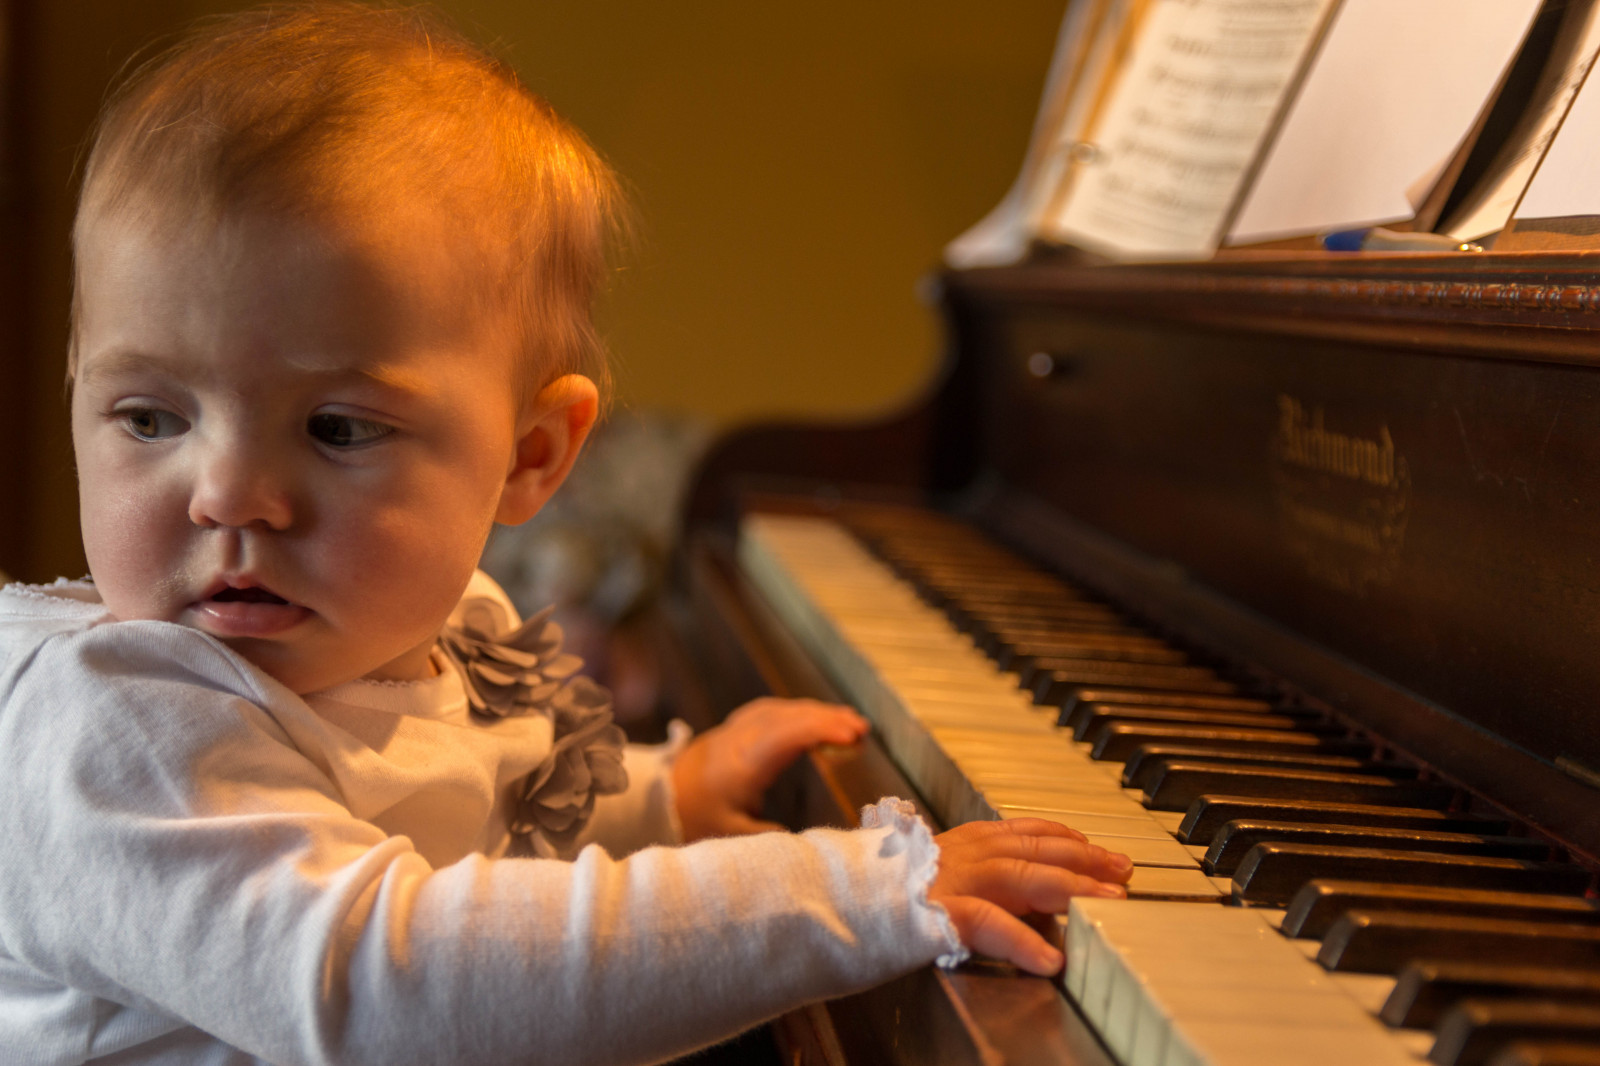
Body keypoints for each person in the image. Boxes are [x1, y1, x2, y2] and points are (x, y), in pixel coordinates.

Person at [0, 5, 1133, 1063]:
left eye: (336, 427)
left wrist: (668, 797)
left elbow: (503, 806)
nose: (228, 494)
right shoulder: (114, 732)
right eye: (150, 417)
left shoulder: (443, 628)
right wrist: (848, 896)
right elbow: (388, 983)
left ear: (530, 456)